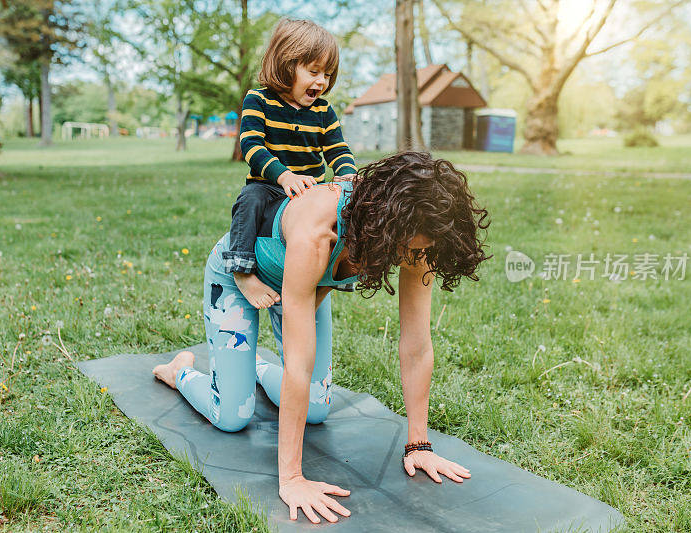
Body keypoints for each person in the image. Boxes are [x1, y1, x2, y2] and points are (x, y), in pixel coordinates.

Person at [153, 151, 492, 524]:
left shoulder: (420, 237)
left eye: (426, 249)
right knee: (232, 416)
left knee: (316, 408)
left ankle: (254, 366)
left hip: (306, 287)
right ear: (388, 222)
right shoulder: (318, 233)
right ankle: (178, 371)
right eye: (414, 248)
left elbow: (416, 344)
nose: (418, 257)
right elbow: (299, 364)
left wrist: (419, 444)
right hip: (242, 276)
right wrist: (292, 479)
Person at [223, 18, 358, 310]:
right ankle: (242, 271)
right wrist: (283, 177)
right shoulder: (258, 100)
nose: (321, 81)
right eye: (314, 72)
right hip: (270, 189)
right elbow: (251, 145)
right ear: (287, 65)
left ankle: (337, 275)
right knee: (248, 199)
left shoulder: (323, 111)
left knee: (344, 211)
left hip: (311, 193)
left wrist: (347, 174)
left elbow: (338, 150)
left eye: (327, 74)